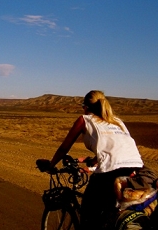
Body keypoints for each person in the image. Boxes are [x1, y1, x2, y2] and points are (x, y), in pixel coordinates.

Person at [40, 90, 145, 229]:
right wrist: (95, 161)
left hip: (111, 172)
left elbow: (63, 148)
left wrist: (51, 165)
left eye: (83, 106)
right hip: (137, 168)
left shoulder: (84, 120)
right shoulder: (117, 121)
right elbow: (116, 146)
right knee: (109, 209)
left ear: (86, 107)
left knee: (88, 212)